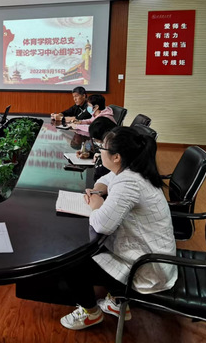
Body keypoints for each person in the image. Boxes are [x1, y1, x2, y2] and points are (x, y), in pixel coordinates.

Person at [58, 126, 177, 330]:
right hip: (152, 255)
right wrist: (97, 191)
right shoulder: (134, 170)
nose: (99, 151)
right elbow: (106, 179)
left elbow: (102, 225)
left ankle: (90, 313)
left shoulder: (129, 183)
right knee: (94, 245)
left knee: (70, 259)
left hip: (147, 268)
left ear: (116, 157)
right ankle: (116, 301)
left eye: (102, 148)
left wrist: (96, 204)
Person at [76, 116, 117, 181]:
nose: (96, 142)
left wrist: (100, 158)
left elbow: (100, 172)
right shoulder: (109, 145)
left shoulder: (115, 150)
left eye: (97, 140)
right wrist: (89, 155)